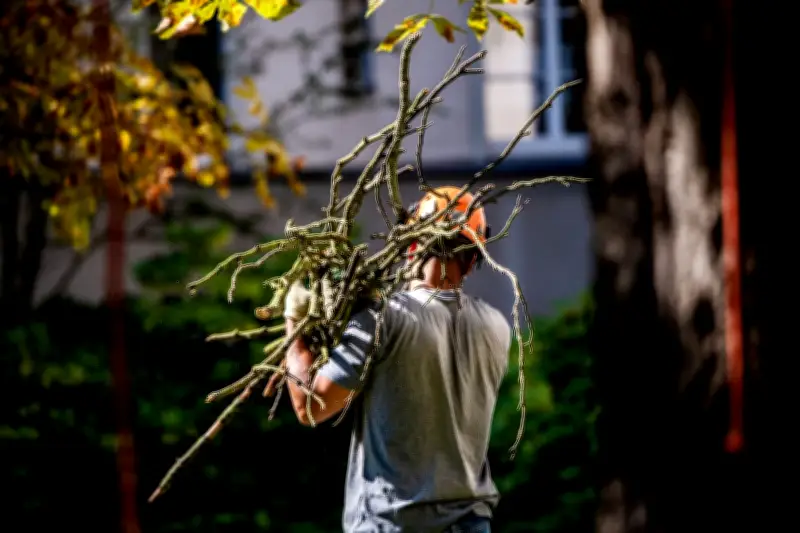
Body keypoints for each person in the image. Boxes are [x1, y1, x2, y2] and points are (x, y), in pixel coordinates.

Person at [264, 186, 512, 533]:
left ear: (410, 246)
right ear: (472, 261)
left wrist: (296, 325)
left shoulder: (383, 318)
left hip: (390, 523)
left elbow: (311, 406)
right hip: (471, 524)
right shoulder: (498, 327)